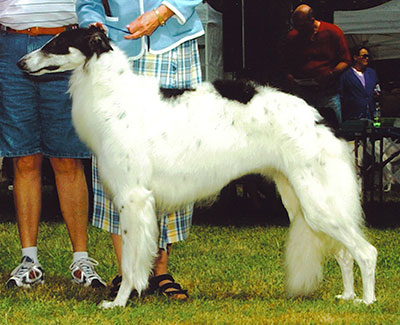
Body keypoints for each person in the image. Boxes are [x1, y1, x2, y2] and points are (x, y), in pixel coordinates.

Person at [76, 0, 204, 299]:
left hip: (173, 46)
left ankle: (160, 271)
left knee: (172, 160)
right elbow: (87, 2)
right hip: (117, 53)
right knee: (116, 161)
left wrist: (162, 13)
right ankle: (127, 271)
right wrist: (94, 23)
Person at [0, 1, 105, 288]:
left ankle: (81, 260)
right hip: (10, 43)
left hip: (65, 45)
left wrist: (93, 23)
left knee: (68, 159)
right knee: (23, 158)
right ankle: (28, 261)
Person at [284, 4, 351, 127]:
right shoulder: (293, 37)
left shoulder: (332, 32)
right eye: (296, 26)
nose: (299, 30)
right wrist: (290, 77)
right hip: (304, 93)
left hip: (328, 93)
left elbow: (345, 61)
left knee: (333, 130)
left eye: (302, 26)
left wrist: (330, 74)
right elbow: (287, 63)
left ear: (312, 20)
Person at [339, 46, 380, 121]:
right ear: (355, 57)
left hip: (372, 114)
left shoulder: (372, 73)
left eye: (368, 56)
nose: (366, 58)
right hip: (354, 116)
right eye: (364, 56)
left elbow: (377, 88)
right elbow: (341, 95)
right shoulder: (346, 76)